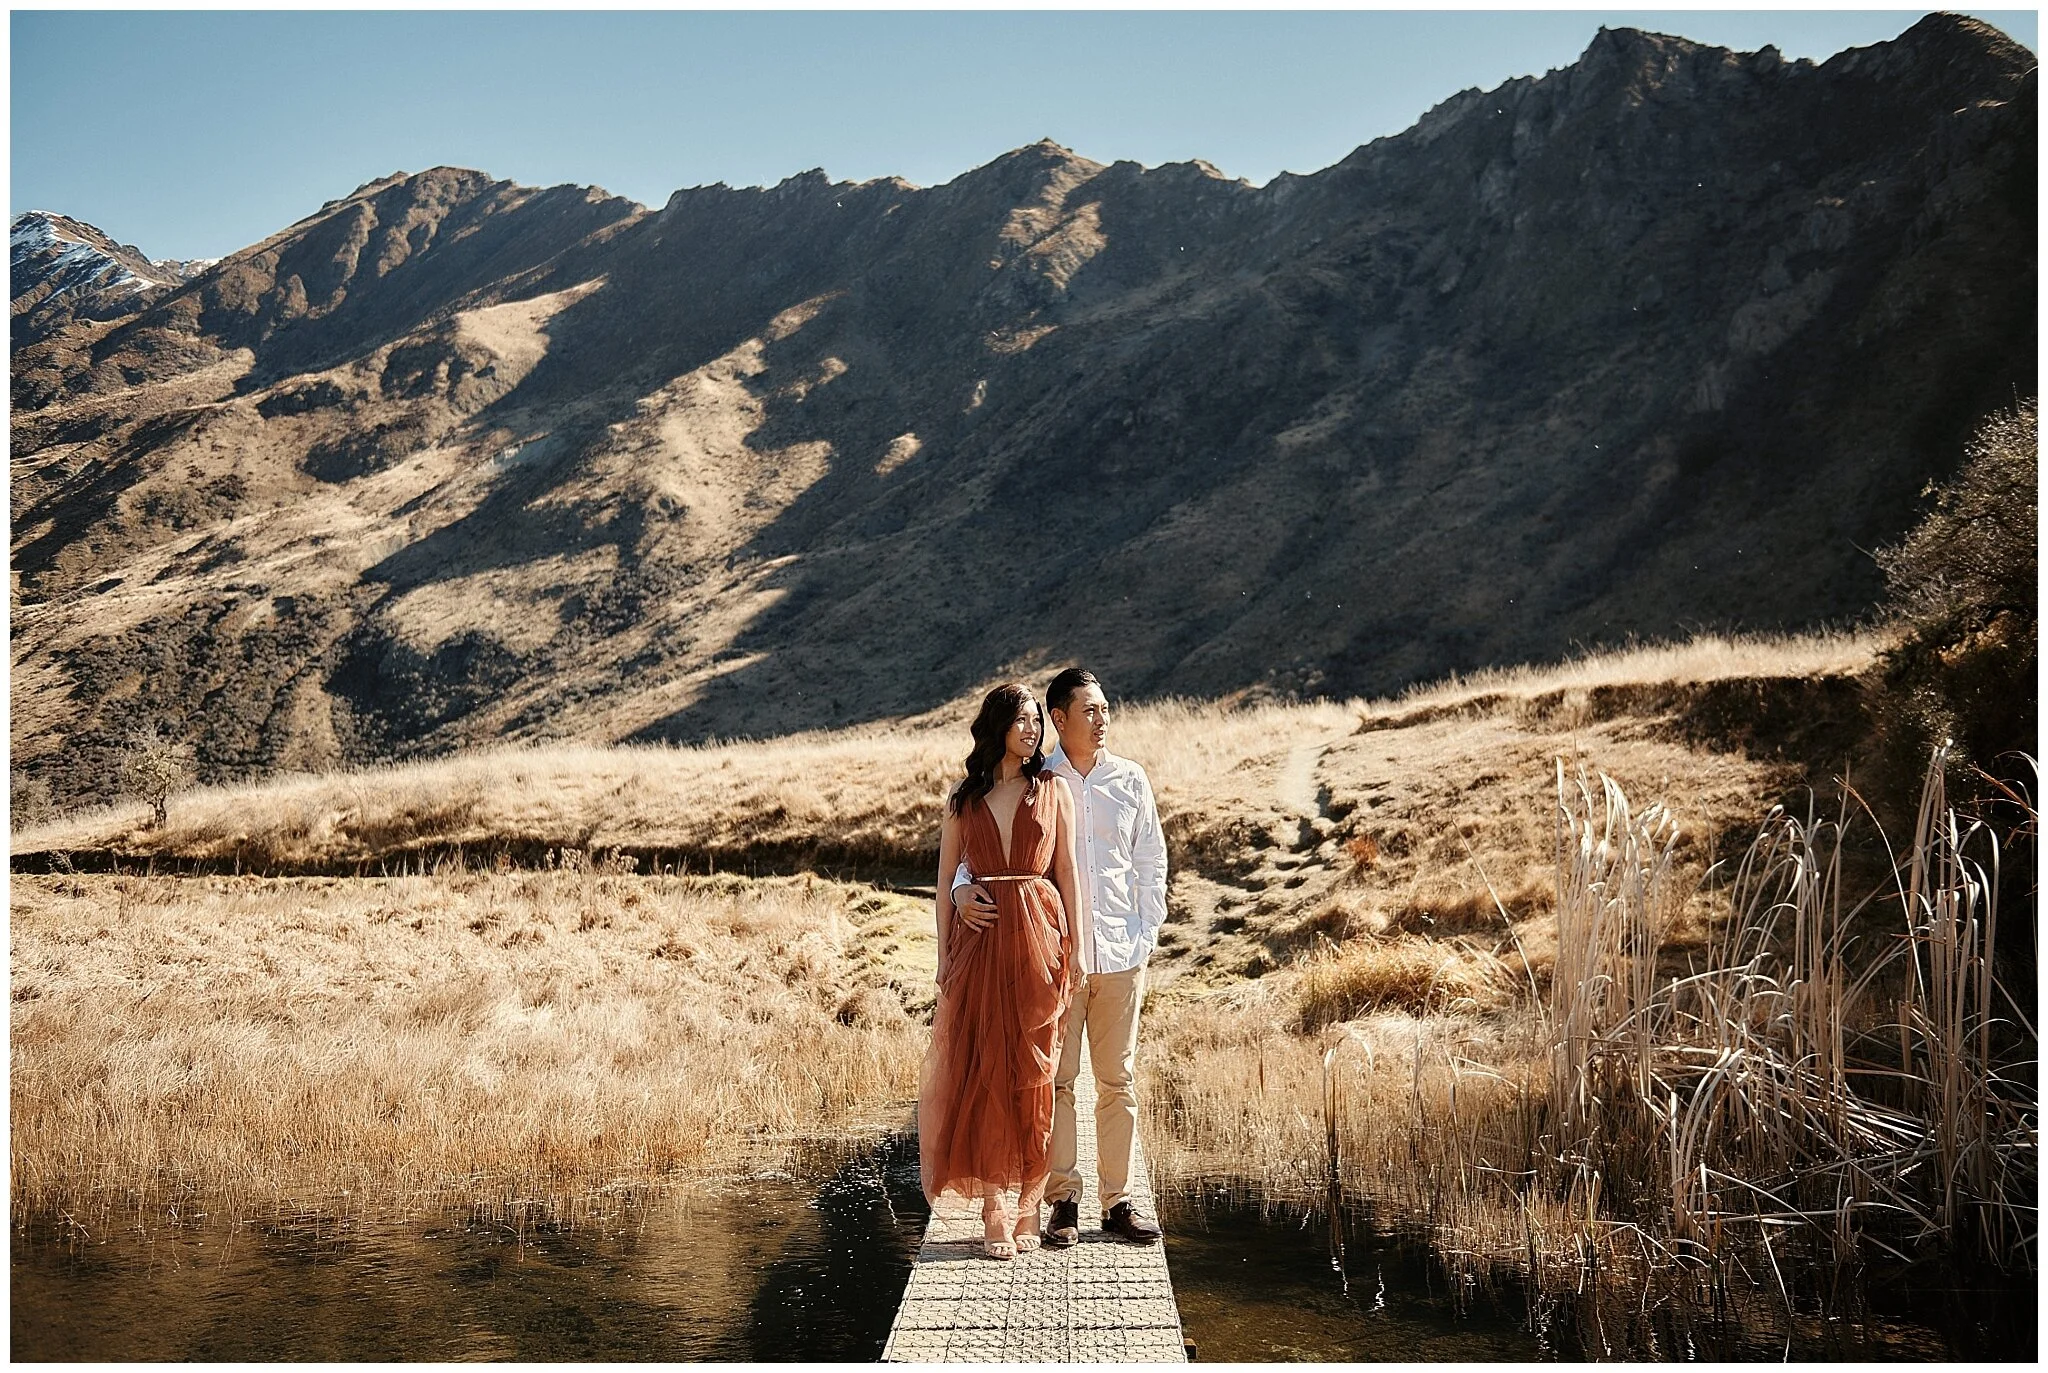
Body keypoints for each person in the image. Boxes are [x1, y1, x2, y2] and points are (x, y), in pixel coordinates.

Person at [953, 668, 1167, 1247]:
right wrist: (957, 890)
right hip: (1054, 959)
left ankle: (1119, 1202)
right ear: (1060, 718)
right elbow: (986, 851)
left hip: (1121, 954)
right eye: (1090, 711)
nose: (1103, 720)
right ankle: (1062, 1200)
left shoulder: (1131, 780)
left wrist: (1145, 934)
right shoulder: (1038, 782)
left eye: (1105, 709)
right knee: (1056, 1080)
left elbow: (1151, 861)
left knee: (1117, 1080)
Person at [919, 682, 1083, 1260]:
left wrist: (1079, 950)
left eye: (1037, 720)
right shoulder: (964, 801)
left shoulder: (1054, 790)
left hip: (1041, 941)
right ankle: (994, 1206)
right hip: (981, 945)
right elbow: (943, 886)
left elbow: (1067, 875)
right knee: (985, 1069)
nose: (1033, 730)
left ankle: (1028, 1206)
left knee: (1033, 1077)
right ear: (997, 728)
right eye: (1022, 720)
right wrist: (943, 955)